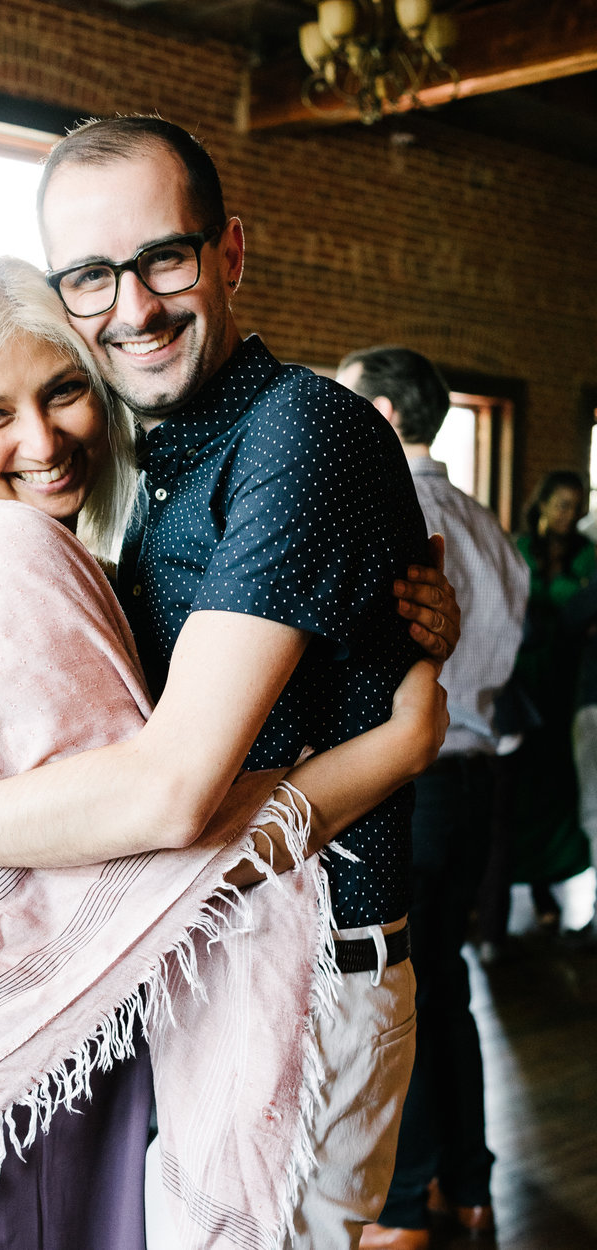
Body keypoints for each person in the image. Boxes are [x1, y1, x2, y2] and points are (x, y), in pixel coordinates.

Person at [0, 117, 461, 1250]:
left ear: (228, 252)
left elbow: (169, 787)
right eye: (89, 276)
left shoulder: (299, 434)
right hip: (202, 965)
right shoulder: (148, 469)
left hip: (311, 974)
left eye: (163, 258)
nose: (132, 306)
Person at [336, 346, 529, 1250]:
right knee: (447, 984)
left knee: (404, 991)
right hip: (479, 778)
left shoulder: (390, 510)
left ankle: (403, 1206)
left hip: (411, 781)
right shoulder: (490, 525)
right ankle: (470, 1185)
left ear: (378, 414)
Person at [511, 470, 594, 929]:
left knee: (557, 781)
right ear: (542, 503)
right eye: (561, 504)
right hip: (523, 681)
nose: (569, 515)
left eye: (576, 506)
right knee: (520, 780)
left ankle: (550, 884)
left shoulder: (588, 557)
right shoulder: (520, 549)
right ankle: (510, 882)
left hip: (567, 680)